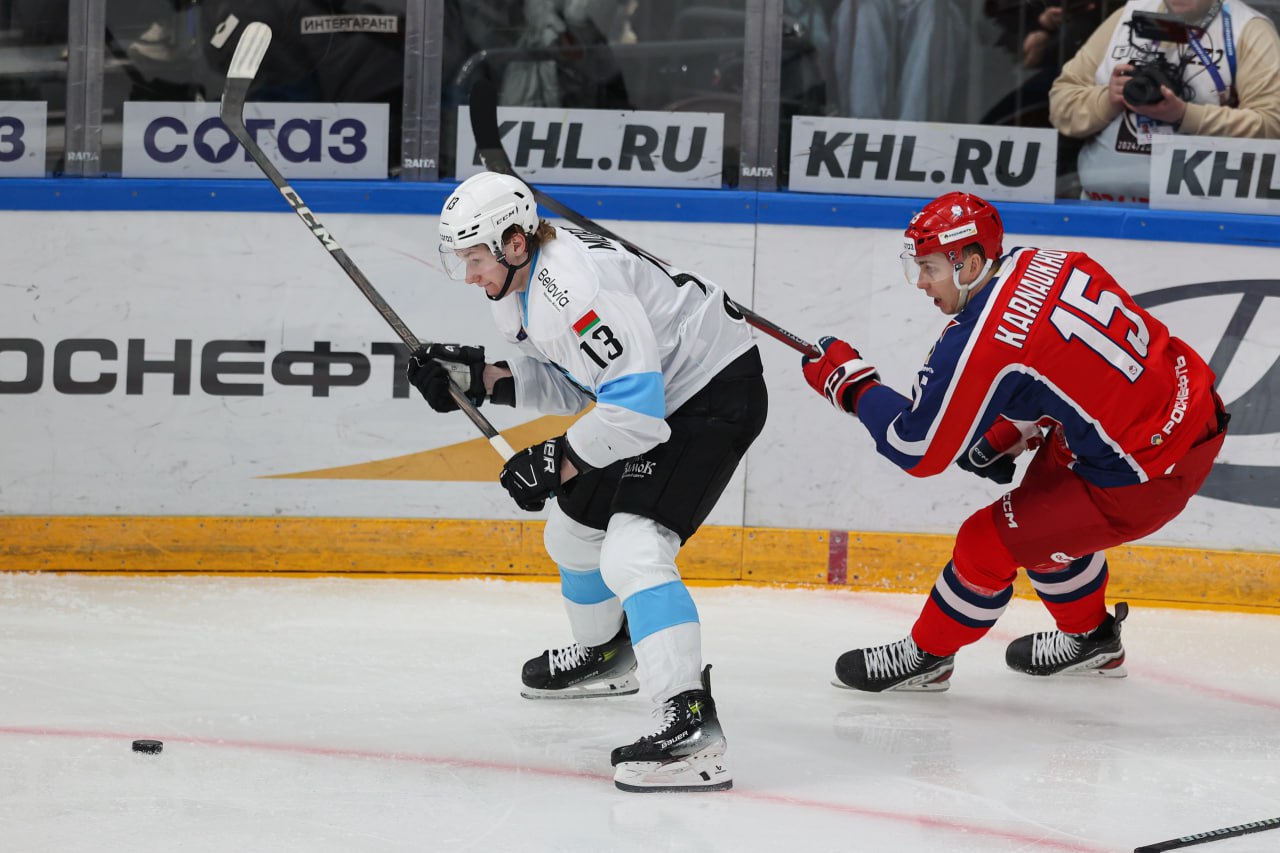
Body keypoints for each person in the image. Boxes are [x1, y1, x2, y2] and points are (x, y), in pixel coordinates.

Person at [408, 172, 767, 791]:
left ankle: (691, 729)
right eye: (460, 260)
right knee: (572, 534)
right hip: (657, 395)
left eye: (474, 259)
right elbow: (584, 383)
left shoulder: (572, 290)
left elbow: (635, 410)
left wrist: (557, 459)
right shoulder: (522, 283)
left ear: (514, 243)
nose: (468, 275)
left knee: (634, 549)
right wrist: (483, 380)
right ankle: (607, 655)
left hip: (711, 393)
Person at [799, 191, 1228, 693]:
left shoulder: (981, 339)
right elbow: (1077, 368)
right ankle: (1093, 642)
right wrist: (1011, 428)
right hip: (1186, 407)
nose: (921, 282)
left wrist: (853, 387)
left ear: (970, 263)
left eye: (930, 267)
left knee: (984, 543)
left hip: (1144, 473)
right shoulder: (1051, 260)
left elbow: (918, 450)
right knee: (1041, 526)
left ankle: (928, 657)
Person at [1049, 0, 1280, 203]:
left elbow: (1272, 126)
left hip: (1205, 218)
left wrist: (1185, 115)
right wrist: (1108, 100)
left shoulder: (1247, 29)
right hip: (1101, 211)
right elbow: (1061, 103)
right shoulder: (1127, 16)